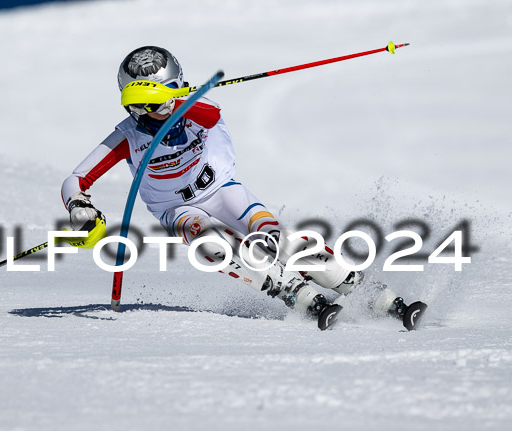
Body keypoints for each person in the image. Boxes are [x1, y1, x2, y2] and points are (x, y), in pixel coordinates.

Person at [61, 45, 423, 329]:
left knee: (280, 241)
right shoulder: (128, 136)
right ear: (134, 103)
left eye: (170, 92)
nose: (160, 109)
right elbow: (76, 179)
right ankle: (293, 292)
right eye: (149, 103)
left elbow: (211, 114)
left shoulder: (195, 106)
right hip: (178, 210)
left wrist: (176, 101)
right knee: (209, 242)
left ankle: (373, 295)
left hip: (222, 192)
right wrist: (80, 206)